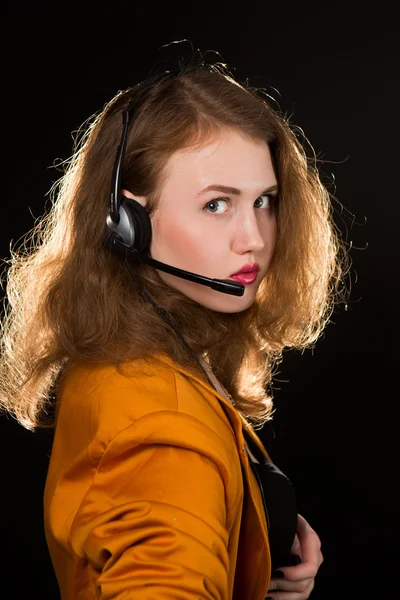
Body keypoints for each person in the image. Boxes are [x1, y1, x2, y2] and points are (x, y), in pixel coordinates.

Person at [0, 56, 348, 599]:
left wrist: (256, 543)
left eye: (264, 201)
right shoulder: (160, 423)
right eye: (216, 204)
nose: (253, 237)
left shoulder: (137, 354)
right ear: (128, 225)